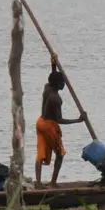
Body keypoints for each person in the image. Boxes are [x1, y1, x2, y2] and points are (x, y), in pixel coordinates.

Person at [36, 56, 86, 184]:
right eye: (62, 82)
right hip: (49, 126)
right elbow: (59, 120)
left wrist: (53, 65)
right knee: (59, 154)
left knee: (40, 154)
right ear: (58, 84)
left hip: (40, 122)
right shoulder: (55, 99)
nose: (64, 84)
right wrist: (78, 120)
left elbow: (53, 77)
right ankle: (53, 183)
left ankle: (39, 184)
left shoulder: (47, 87)